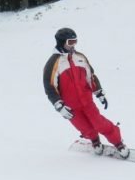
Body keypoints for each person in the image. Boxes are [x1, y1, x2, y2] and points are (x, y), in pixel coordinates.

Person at [43, 27, 129, 158]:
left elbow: (90, 77)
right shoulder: (53, 63)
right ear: (61, 42)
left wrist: (99, 93)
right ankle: (95, 141)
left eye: (75, 41)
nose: (73, 45)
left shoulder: (80, 57)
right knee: (84, 128)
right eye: (70, 42)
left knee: (99, 123)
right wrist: (59, 105)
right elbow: (49, 86)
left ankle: (118, 143)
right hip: (70, 106)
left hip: (87, 101)